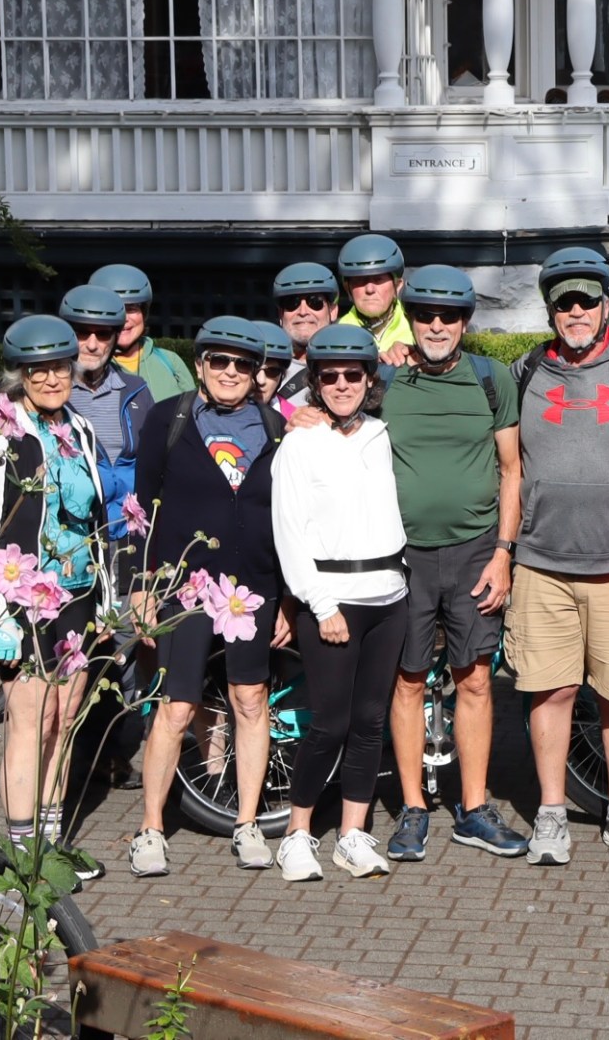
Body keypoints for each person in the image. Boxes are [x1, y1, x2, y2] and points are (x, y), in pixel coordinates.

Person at [508, 248, 609, 866]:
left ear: (606, 306)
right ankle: (550, 814)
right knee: (550, 692)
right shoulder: (522, 372)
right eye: (564, 302)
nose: (576, 312)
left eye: (586, 301)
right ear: (550, 310)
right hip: (541, 562)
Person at [125, 317, 287, 879]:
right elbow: (139, 511)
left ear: (256, 374)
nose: (230, 373)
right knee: (176, 707)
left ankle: (246, 824)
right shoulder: (167, 422)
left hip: (253, 589)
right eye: (219, 361)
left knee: (250, 700)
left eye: (243, 365)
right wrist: (141, 588)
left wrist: (286, 599)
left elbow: (287, 520)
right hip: (184, 587)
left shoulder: (274, 427)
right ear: (199, 365)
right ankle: (149, 828)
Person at [379, 266, 529, 862]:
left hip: (474, 551)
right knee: (408, 679)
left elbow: (513, 471)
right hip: (402, 553)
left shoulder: (491, 380)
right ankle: (414, 808)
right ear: (410, 319)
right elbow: (318, 404)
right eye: (424, 315)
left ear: (465, 322)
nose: (436, 325)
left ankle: (472, 809)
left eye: (449, 316)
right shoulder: (384, 378)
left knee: (473, 678)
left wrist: (504, 553)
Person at [0, 316, 111, 854]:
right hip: (22, 601)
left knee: (64, 719)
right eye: (37, 369)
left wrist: (107, 598)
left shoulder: (80, 428)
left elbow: (93, 521)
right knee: (31, 720)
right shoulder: (1, 435)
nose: (51, 378)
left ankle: (52, 846)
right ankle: (22, 851)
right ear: (19, 374)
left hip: (77, 594)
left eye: (59, 366)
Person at [271, 324, 412, 882]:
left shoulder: (381, 434)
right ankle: (297, 834)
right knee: (327, 723)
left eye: (353, 374)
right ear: (314, 381)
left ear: (370, 379)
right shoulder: (299, 443)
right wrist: (321, 604)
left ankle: (353, 833)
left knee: (369, 721)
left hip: (390, 597)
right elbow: (290, 532)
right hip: (332, 598)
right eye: (328, 376)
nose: (341, 384)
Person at [58, 285, 151, 549]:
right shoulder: (53, 395)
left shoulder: (137, 390)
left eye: (102, 334)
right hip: (75, 538)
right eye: (82, 333)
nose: (92, 344)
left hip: (134, 538)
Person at [89, 264, 195, 402]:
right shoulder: (86, 366)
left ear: (144, 314)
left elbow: (193, 413)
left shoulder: (169, 361)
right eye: (113, 310)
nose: (124, 319)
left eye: (131, 309)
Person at [336, 234, 413, 359]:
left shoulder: (417, 327)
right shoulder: (336, 334)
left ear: (397, 286)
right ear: (347, 288)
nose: (370, 289)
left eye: (378, 279)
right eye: (360, 280)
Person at [272, 261, 339, 405]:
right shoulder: (263, 368)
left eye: (315, 302)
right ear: (280, 314)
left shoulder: (354, 363)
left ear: (333, 311)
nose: (303, 312)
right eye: (292, 303)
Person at [253, 321, 298, 420]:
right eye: (254, 369)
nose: (261, 380)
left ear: (282, 376)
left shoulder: (294, 419)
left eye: (272, 371)